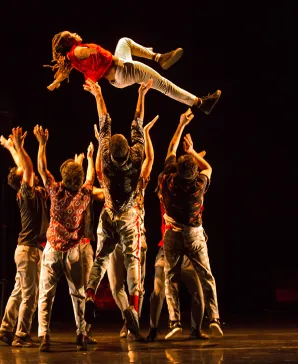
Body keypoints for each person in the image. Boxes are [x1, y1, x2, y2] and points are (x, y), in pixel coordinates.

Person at [82, 77, 156, 341]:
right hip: (128, 215)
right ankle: (134, 310)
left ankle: (90, 294)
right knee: (132, 258)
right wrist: (142, 94)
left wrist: (98, 94)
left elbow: (104, 122)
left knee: (101, 256)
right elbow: (137, 122)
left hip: (109, 213)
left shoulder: (104, 158)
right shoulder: (136, 158)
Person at [159, 108, 224, 337]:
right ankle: (214, 317)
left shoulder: (167, 180)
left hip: (173, 234)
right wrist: (193, 151)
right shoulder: (199, 185)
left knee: (170, 278)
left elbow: (170, 150)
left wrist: (180, 125)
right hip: (195, 234)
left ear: (176, 169)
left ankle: (174, 321)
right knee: (206, 275)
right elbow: (208, 167)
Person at [46, 31, 221, 115]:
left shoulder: (71, 60)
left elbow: (62, 74)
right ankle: (200, 103)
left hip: (117, 79)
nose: (75, 33)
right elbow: (85, 54)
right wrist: (89, 52)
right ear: (70, 41)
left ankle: (158, 57)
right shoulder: (77, 52)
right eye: (71, 34)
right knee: (164, 85)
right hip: (123, 69)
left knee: (124, 41)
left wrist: (55, 83)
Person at [34, 124, 95, 352]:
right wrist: (89, 158)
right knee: (77, 294)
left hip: (53, 249)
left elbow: (42, 169)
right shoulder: (84, 196)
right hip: (73, 252)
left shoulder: (56, 193)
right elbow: (90, 178)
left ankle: (44, 336)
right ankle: (81, 334)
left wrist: (42, 144)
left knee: (46, 294)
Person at [0, 128, 50, 347]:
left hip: (24, 250)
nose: (32, 174)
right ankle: (21, 335)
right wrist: (20, 146)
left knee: (19, 291)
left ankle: (5, 328)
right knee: (30, 294)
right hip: (29, 251)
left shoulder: (26, 190)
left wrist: (12, 147)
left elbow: (22, 167)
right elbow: (26, 168)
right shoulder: (27, 193)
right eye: (28, 173)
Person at [146, 199, 209, 341]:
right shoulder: (169, 198)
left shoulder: (192, 199)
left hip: (187, 252)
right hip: (167, 250)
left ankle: (196, 330)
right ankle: (153, 329)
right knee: (158, 290)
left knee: (198, 291)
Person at [61, 153, 105, 344]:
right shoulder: (76, 193)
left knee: (81, 291)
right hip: (81, 245)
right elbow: (92, 182)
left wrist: (84, 161)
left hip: (81, 245)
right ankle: (82, 331)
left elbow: (99, 191)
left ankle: (83, 331)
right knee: (82, 290)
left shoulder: (71, 192)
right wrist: (88, 159)